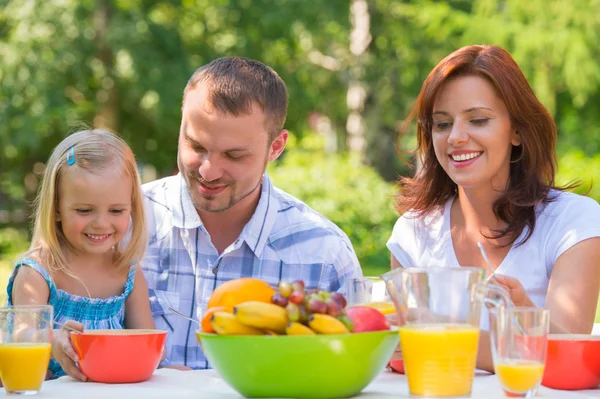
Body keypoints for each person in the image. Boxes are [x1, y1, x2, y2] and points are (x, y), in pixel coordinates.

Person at [386, 45, 600, 371]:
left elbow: (568, 361)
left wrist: (432, 335)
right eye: (442, 124)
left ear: (517, 130)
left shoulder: (574, 223)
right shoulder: (414, 231)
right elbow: (399, 353)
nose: (456, 137)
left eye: (478, 120)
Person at [141, 56, 362, 370]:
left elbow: (351, 371)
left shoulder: (325, 253)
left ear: (276, 147)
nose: (208, 170)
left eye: (233, 155)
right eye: (196, 146)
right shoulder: (122, 222)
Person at [7, 129, 156, 381]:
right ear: (56, 209)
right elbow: (22, 332)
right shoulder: (38, 272)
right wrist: (51, 340)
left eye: (116, 210)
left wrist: (164, 366)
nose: (101, 223)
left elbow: (147, 342)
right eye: (85, 210)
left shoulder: (127, 274)